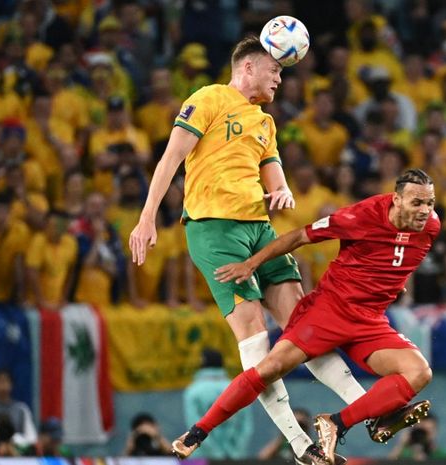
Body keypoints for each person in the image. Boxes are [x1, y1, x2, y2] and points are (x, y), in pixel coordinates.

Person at [129, 35, 368, 465]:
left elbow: (275, 176)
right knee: (255, 335)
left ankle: (369, 407)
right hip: (214, 230)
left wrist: (283, 193)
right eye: (275, 70)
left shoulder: (266, 123)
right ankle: (300, 444)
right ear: (249, 68)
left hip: (260, 229)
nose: (281, 78)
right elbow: (170, 159)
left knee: (306, 325)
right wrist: (147, 216)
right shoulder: (209, 99)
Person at [171, 169, 438, 465]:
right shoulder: (361, 216)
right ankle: (198, 431)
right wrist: (251, 264)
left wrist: (393, 282)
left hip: (370, 320)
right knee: (269, 368)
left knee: (419, 372)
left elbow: (400, 257)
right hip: (328, 312)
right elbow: (300, 236)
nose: (425, 211)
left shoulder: (431, 227)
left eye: (430, 203)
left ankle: (337, 422)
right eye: (417, 203)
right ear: (396, 200)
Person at [183, 349, 252, 459]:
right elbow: (246, 426)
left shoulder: (193, 391)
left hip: (203, 458)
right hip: (235, 458)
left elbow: (194, 427)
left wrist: (216, 455)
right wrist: (235, 453)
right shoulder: (240, 388)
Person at [0, 370, 37, 447]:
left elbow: (32, 437)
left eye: (6, 381)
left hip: (18, 450)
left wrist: (15, 440)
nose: (3, 385)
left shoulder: (21, 408)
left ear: (11, 384)